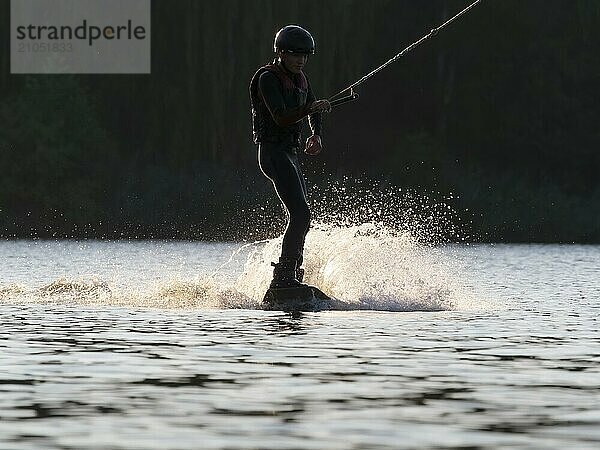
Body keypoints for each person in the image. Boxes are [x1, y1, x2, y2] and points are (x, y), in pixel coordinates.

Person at [249, 25, 331, 289]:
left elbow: (313, 107)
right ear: (281, 53)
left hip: (291, 154)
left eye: (305, 56)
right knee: (301, 215)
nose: (301, 61)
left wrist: (316, 134)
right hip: (272, 153)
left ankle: (293, 274)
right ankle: (283, 278)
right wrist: (309, 107)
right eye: (295, 55)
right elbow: (281, 117)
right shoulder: (267, 79)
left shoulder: (301, 78)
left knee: (303, 216)